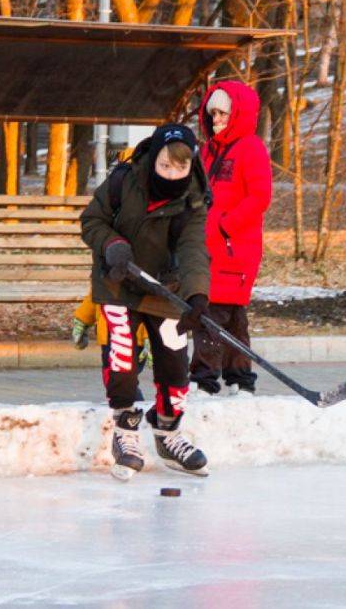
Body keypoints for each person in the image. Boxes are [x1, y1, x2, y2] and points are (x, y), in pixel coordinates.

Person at [80, 123, 211, 481]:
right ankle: (125, 431)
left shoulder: (194, 198)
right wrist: (111, 246)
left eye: (180, 168)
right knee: (122, 359)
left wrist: (198, 294)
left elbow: (193, 249)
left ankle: (168, 433)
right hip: (118, 281)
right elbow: (91, 221)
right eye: (165, 166)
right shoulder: (125, 180)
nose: (172, 174)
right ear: (154, 159)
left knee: (174, 363)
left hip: (164, 288)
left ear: (191, 165)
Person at [191, 81, 272, 396]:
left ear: (237, 113)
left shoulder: (250, 148)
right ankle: (240, 379)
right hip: (210, 248)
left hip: (234, 249)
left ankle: (204, 379)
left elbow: (259, 197)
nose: (216, 119)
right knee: (232, 316)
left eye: (223, 112)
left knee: (210, 315)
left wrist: (225, 227)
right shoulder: (210, 151)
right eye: (212, 113)